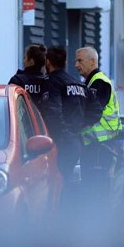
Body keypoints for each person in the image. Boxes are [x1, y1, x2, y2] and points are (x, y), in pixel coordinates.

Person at [74, 46, 120, 203]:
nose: (76, 65)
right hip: (94, 146)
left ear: (92, 61)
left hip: (101, 147)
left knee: (95, 192)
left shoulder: (99, 83)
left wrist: (74, 127)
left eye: (80, 60)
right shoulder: (91, 82)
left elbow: (91, 113)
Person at [43, 46, 86, 183]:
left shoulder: (52, 82)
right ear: (65, 62)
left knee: (57, 183)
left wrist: (63, 134)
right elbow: (94, 110)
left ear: (47, 62)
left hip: (61, 143)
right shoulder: (77, 83)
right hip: (76, 141)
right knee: (67, 182)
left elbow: (53, 111)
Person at [8, 44, 48, 109]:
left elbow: (10, 104)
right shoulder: (47, 81)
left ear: (31, 61)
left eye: (25, 58)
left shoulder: (17, 80)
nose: (24, 61)